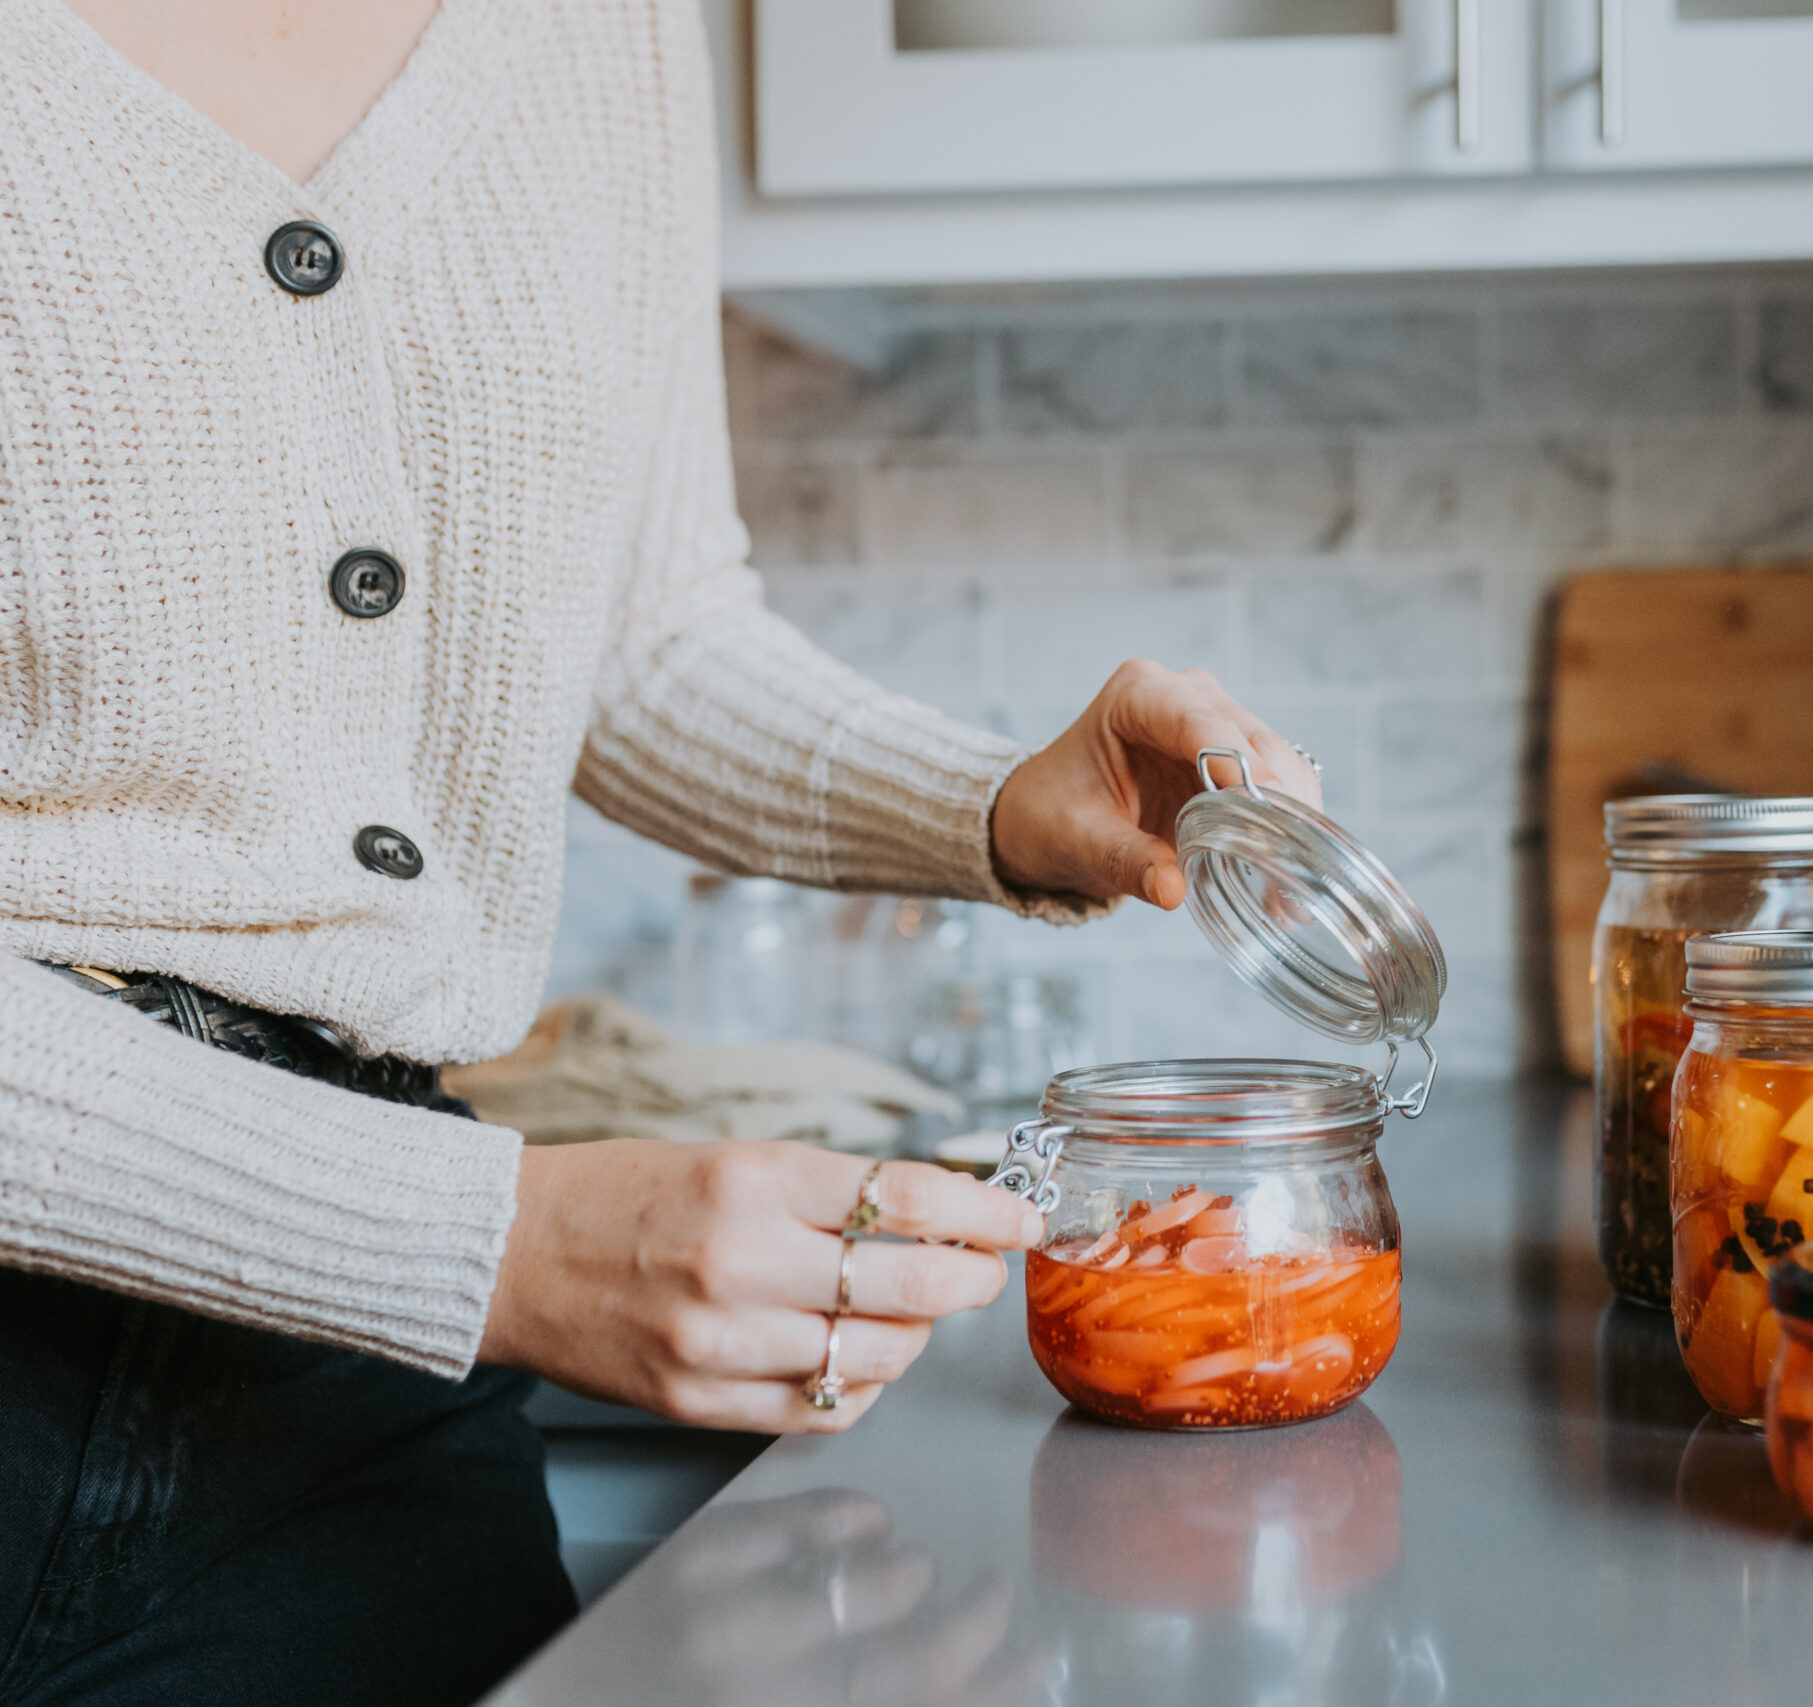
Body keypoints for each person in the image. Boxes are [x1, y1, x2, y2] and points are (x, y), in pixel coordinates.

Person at [0, 2, 1322, 1701]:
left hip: (354, 1388)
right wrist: (498, 1248)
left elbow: (644, 635)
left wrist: (993, 799)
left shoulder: (597, 28)